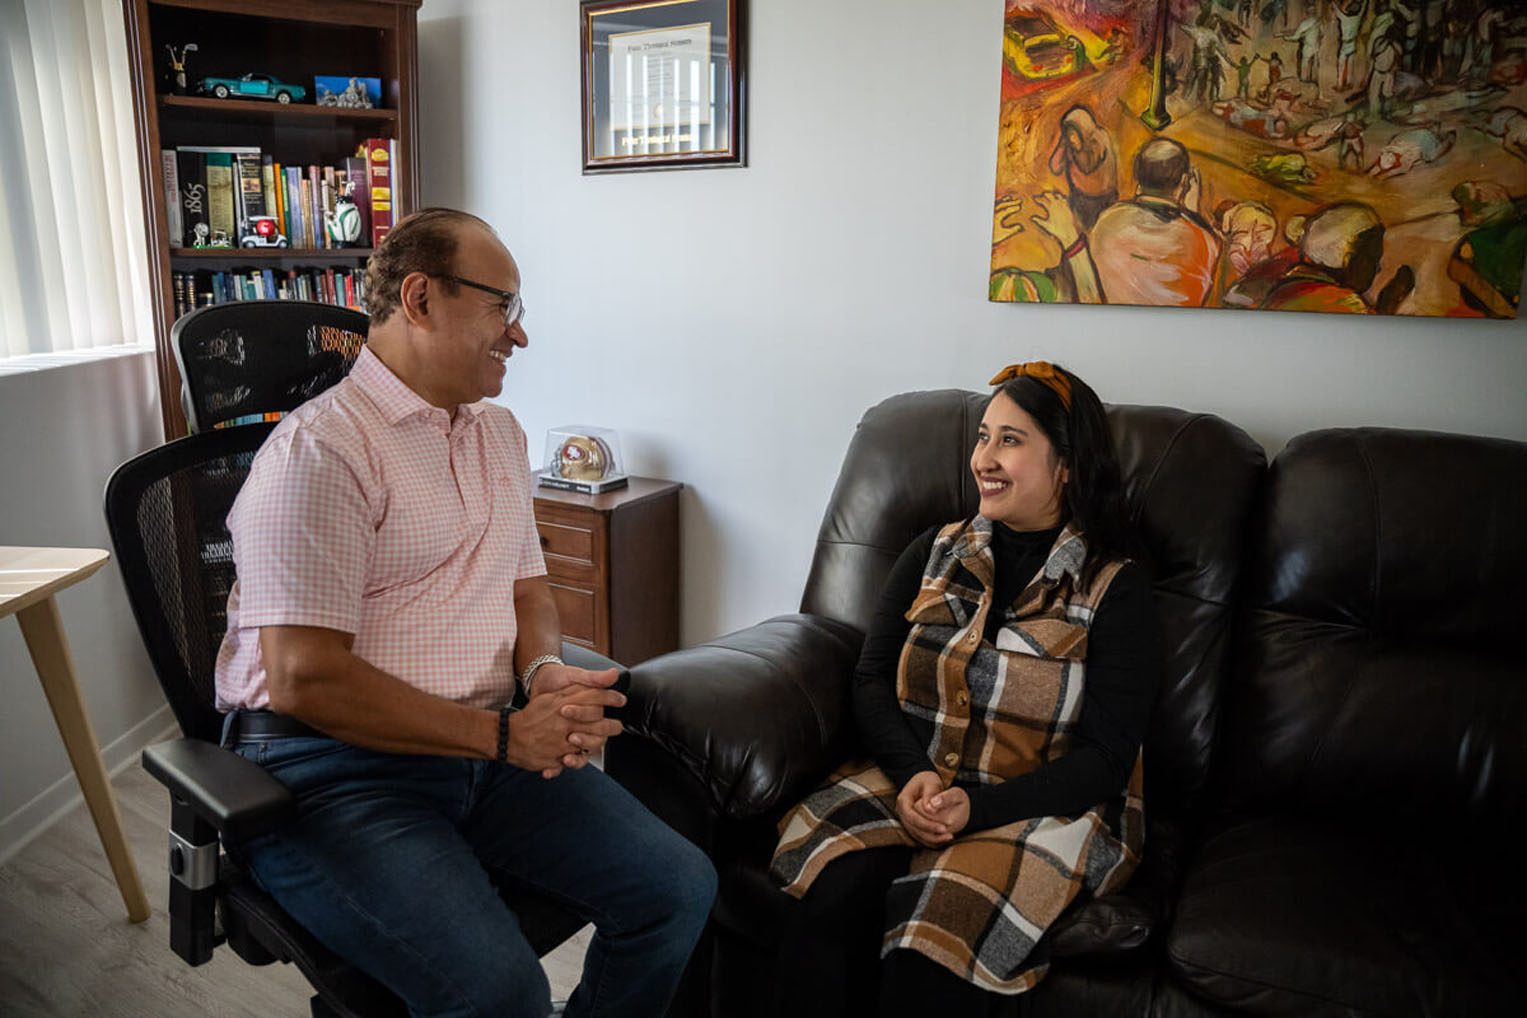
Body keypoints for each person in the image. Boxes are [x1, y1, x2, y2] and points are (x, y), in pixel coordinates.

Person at [214, 207, 717, 1018]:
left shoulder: (496, 434)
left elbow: (527, 590)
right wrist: (502, 736)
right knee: (501, 992)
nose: (518, 336)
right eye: (502, 307)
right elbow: (305, 678)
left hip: (480, 750)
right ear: (419, 298)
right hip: (333, 771)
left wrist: (545, 672)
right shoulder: (321, 453)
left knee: (677, 889)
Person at [770, 363, 1158, 1017]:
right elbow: (871, 678)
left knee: (931, 946)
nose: (984, 458)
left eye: (1011, 440)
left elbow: (1106, 760)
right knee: (829, 900)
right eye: (983, 437)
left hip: (1039, 806)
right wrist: (915, 774)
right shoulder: (934, 551)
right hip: (916, 779)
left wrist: (972, 812)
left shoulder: (1114, 588)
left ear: (1066, 463)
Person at [1088, 138, 1222, 306]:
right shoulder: (1204, 239)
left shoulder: (1106, 222)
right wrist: (1192, 214)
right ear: (1184, 181)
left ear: (1137, 178)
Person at [1047, 105, 1118, 230]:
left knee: (1101, 230)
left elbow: (1087, 168)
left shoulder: (1100, 141)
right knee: (1081, 231)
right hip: (1080, 198)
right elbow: (1055, 167)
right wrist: (1062, 145)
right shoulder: (1069, 146)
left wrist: (1076, 151)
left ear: (1085, 131)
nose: (1072, 139)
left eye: (1075, 134)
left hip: (1102, 199)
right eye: (1069, 134)